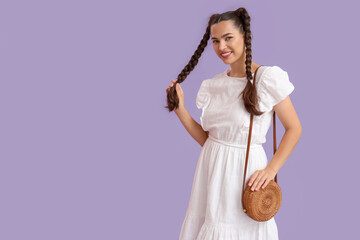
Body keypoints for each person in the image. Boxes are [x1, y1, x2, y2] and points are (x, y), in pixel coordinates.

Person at [165, 7, 302, 240]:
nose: (221, 47)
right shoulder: (213, 86)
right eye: (216, 41)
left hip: (246, 173)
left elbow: (294, 128)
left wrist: (271, 169)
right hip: (212, 171)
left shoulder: (266, 78)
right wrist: (180, 111)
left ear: (244, 36)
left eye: (228, 38)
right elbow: (209, 140)